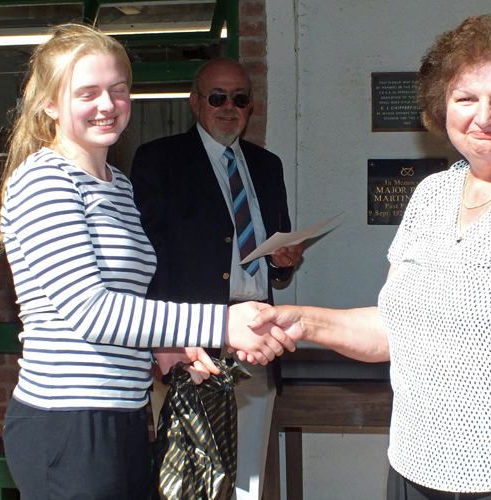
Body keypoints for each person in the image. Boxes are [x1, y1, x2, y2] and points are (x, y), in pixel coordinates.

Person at [248, 13, 491, 500]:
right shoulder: (431, 195)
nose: (485, 116)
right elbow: (396, 328)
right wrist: (301, 320)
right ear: (443, 109)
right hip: (416, 470)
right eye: (465, 98)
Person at [0, 24, 292, 500]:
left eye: (118, 90)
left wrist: (164, 349)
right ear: (50, 104)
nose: (107, 105)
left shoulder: (117, 184)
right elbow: (92, 311)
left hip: (126, 414)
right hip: (68, 423)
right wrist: (218, 325)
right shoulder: (45, 182)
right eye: (86, 93)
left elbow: (128, 299)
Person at [130, 58, 303, 500]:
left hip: (257, 338)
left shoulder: (268, 166)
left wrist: (284, 261)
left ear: (251, 107)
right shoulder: (160, 160)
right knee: (187, 478)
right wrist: (165, 342)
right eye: (217, 97)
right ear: (195, 102)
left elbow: (274, 262)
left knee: (247, 477)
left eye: (240, 99)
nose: (229, 107)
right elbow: (146, 258)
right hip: (189, 345)